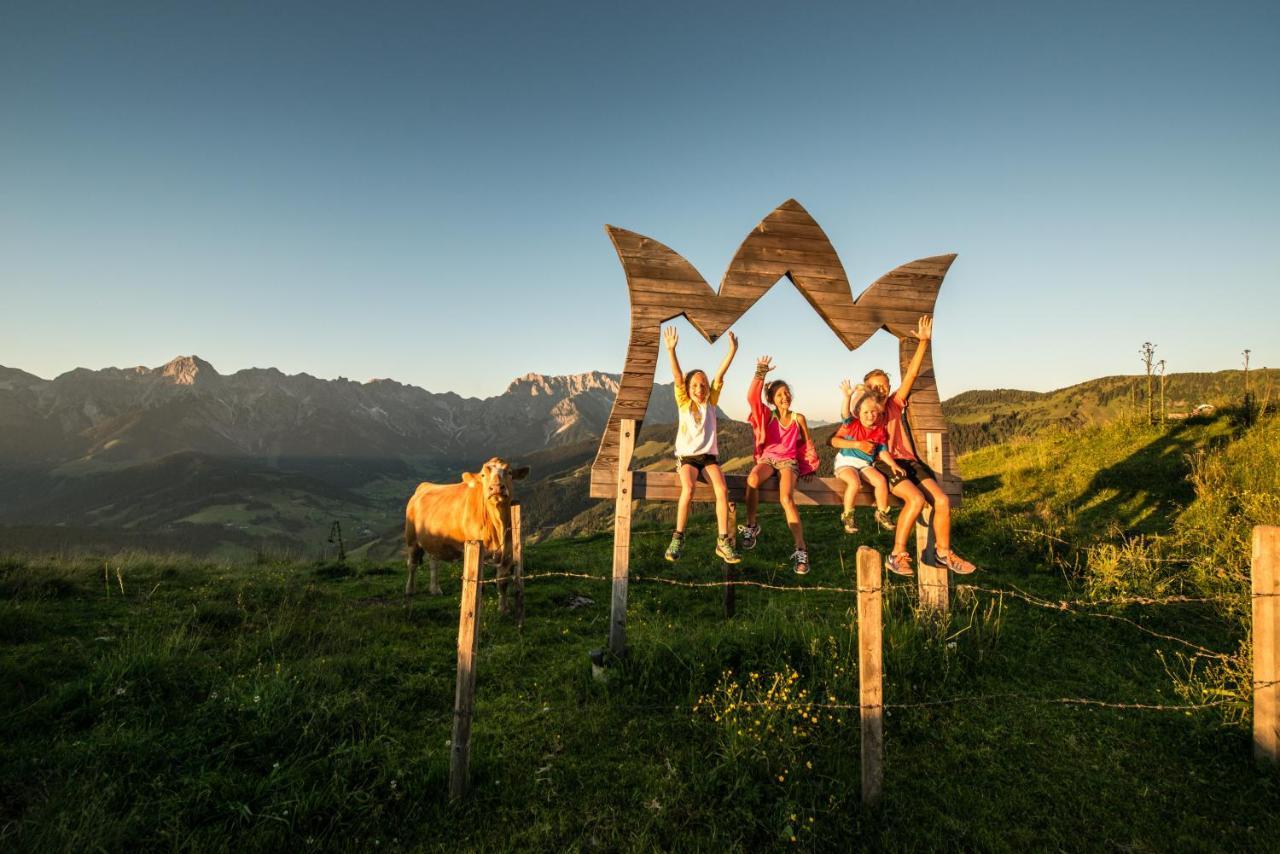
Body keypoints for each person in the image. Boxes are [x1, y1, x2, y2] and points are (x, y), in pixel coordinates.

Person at [854, 315, 976, 577]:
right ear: (866, 389)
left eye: (884, 385)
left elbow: (910, 375)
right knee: (916, 499)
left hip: (910, 461)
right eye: (875, 386)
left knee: (941, 500)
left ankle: (943, 553)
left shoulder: (896, 403)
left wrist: (923, 342)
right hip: (885, 463)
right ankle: (897, 554)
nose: (881, 389)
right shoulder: (865, 412)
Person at [662, 326, 741, 564]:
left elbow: (719, 376)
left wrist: (732, 351)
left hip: (708, 458)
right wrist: (671, 351)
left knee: (722, 490)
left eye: (703, 384)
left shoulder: (711, 402)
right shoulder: (683, 402)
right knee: (688, 488)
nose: (700, 388)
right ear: (687, 389)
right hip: (687, 458)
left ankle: (722, 540)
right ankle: (678, 537)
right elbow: (677, 376)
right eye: (695, 385)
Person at [739, 355, 820, 574]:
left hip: (788, 462)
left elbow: (806, 444)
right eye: (779, 394)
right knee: (752, 479)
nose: (784, 396)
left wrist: (809, 468)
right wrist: (760, 372)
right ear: (772, 399)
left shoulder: (798, 418)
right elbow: (751, 397)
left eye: (786, 393)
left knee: (786, 498)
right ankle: (752, 526)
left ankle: (801, 550)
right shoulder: (767, 415)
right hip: (767, 458)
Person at [830, 383, 902, 534]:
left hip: (865, 464)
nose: (870, 416)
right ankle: (848, 515)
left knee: (881, 481)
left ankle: (882, 512)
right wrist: (848, 396)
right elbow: (844, 413)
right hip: (846, 462)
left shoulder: (879, 430)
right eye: (866, 412)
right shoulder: (852, 424)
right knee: (854, 482)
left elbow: (882, 451)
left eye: (874, 412)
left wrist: (893, 465)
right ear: (858, 412)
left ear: (879, 413)